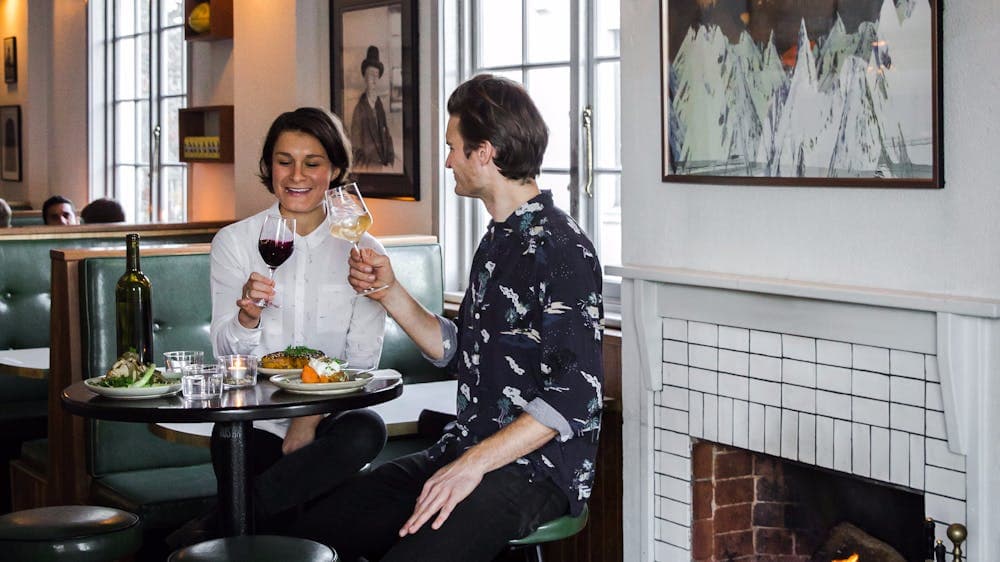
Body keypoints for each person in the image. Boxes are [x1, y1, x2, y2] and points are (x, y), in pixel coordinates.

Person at [292, 75, 605, 561]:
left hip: (534, 470)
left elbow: (574, 397)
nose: (447, 161)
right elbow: (460, 351)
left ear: (486, 152)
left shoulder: (562, 249)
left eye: (454, 148)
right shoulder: (497, 239)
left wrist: (471, 466)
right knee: (316, 536)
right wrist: (388, 291)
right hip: (463, 448)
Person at [175, 107, 389, 543]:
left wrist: (308, 419)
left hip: (329, 417)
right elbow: (224, 352)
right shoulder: (235, 242)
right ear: (268, 166)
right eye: (284, 160)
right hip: (257, 415)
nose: (297, 175)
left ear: (334, 170)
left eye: (313, 163)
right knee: (232, 441)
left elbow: (363, 359)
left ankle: (218, 527)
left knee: (366, 429)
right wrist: (247, 317)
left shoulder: (363, 249)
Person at [350, 45, 395, 169]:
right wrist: (366, 168)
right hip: (368, 170)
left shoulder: (380, 108)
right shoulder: (359, 109)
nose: (374, 80)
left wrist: (390, 161)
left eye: (376, 75)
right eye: (370, 75)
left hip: (383, 168)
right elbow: (355, 146)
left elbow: (387, 136)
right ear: (365, 78)